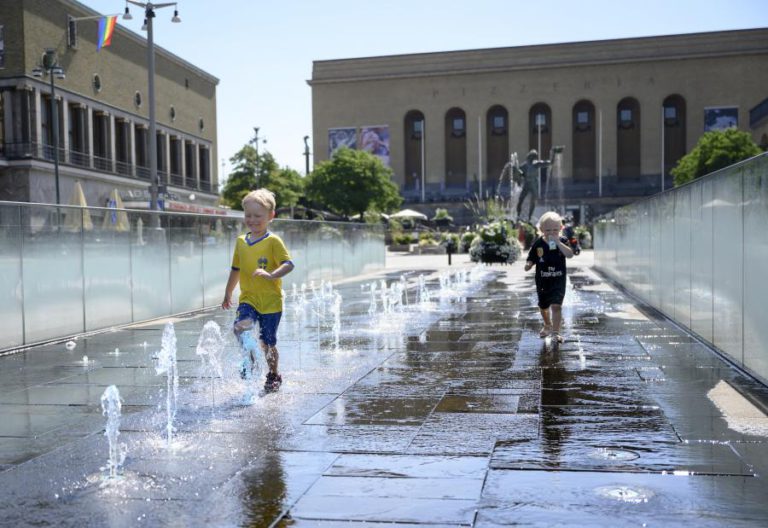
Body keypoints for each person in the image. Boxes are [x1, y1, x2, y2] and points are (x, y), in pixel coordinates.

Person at [222, 189, 295, 392]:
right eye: (248, 215)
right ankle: (251, 360)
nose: (252, 220)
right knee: (239, 327)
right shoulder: (240, 241)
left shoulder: (273, 241)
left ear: (271, 216)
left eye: (258, 216)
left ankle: (273, 374)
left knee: (267, 343)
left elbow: (288, 264)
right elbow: (236, 269)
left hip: (271, 301)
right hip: (248, 298)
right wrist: (228, 293)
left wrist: (272, 275)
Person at [524, 211, 574, 343]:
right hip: (543, 280)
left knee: (556, 306)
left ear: (561, 229)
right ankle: (547, 324)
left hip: (558, 280)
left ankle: (556, 332)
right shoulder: (538, 244)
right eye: (548, 230)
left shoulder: (562, 241)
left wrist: (558, 242)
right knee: (544, 306)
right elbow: (532, 257)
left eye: (555, 230)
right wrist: (529, 264)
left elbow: (569, 254)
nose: (552, 232)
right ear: (541, 230)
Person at [514, 149, 553, 222]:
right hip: (526, 184)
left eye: (534, 157)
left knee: (533, 201)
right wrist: (517, 171)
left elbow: (549, 163)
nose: (533, 158)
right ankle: (518, 216)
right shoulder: (525, 165)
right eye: (532, 157)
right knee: (520, 200)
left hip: (533, 184)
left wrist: (553, 154)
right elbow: (520, 174)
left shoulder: (536, 164)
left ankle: (529, 217)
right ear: (529, 157)